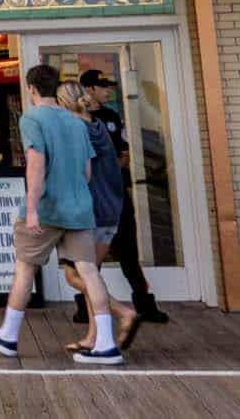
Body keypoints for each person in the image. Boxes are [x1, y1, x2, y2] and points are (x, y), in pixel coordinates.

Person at [0, 64, 129, 367]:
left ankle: (8, 334)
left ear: (31, 88)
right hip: (79, 207)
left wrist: (32, 209)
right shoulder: (75, 121)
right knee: (89, 271)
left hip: (47, 208)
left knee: (25, 269)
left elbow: (36, 164)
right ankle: (107, 344)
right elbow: (86, 171)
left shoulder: (32, 118)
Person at [78, 68, 168, 324]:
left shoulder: (111, 116)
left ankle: (144, 303)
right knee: (91, 256)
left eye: (109, 86)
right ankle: (86, 306)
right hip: (93, 196)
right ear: (89, 89)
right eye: (103, 86)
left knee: (128, 249)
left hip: (117, 192)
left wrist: (117, 164)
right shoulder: (77, 121)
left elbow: (124, 153)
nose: (108, 91)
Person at [55, 82, 138, 355]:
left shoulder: (75, 132)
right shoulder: (98, 126)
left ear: (61, 102)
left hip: (90, 211)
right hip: (111, 208)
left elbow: (80, 173)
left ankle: (122, 311)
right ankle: (94, 335)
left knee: (75, 275)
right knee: (91, 272)